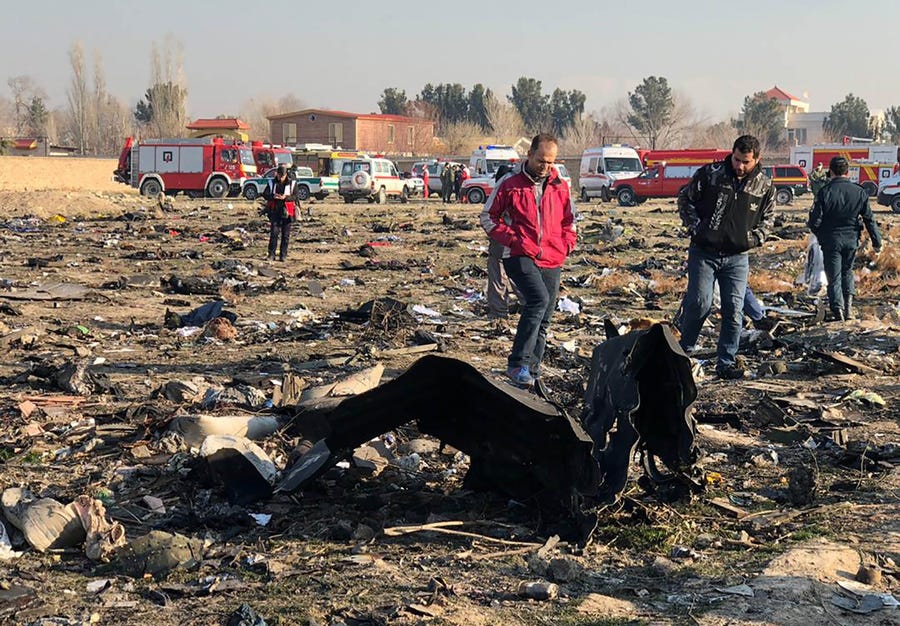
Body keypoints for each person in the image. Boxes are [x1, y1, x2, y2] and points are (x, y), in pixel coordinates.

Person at [480, 133, 577, 387]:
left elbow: (570, 220)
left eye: (550, 162)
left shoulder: (560, 185)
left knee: (544, 316)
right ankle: (517, 364)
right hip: (519, 254)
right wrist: (515, 240)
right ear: (530, 155)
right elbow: (488, 217)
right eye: (541, 160)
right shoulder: (510, 183)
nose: (545, 166)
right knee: (538, 300)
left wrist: (567, 244)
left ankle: (532, 372)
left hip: (553, 256)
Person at [677, 135, 775, 380]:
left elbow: (769, 219)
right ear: (731, 154)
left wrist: (753, 239)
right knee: (700, 302)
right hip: (704, 252)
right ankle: (682, 352)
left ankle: (726, 363)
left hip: (737, 257)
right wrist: (696, 227)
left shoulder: (764, 187)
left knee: (734, 310)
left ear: (757, 160)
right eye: (737, 159)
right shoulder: (711, 174)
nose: (740, 166)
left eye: (746, 162)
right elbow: (685, 199)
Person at [808, 156, 883, 321]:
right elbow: (870, 219)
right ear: (848, 172)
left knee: (833, 276)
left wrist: (822, 237)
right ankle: (848, 309)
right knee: (847, 272)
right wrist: (877, 242)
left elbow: (814, 222)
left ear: (831, 171)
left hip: (831, 241)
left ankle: (838, 311)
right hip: (851, 240)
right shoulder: (859, 192)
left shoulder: (825, 192)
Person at [486, 163, 516, 319]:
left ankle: (499, 313)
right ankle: (530, 305)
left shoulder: (501, 190)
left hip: (502, 240)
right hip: (518, 241)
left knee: (498, 275)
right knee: (521, 276)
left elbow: (489, 217)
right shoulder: (518, 187)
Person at [262, 165, 297, 261]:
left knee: (285, 235)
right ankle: (271, 254)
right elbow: (265, 194)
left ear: (286, 175)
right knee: (274, 233)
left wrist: (285, 197)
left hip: (288, 212)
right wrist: (273, 196)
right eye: (279, 175)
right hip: (275, 211)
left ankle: (283, 255)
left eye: (282, 176)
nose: (280, 178)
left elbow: (295, 197)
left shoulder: (292, 184)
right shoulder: (271, 183)